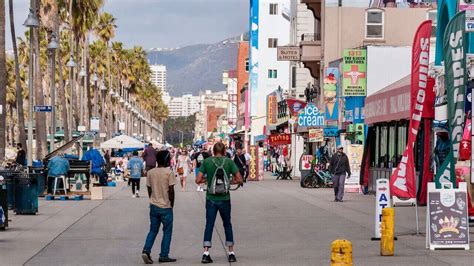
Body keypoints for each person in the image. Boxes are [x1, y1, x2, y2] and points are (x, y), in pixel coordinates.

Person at [196, 142, 243, 264]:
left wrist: (208, 180)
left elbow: (198, 180)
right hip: (225, 198)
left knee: (209, 225)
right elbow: (239, 179)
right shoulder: (229, 162)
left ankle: (206, 253)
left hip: (211, 198)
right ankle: (231, 253)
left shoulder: (207, 162)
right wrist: (228, 182)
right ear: (224, 152)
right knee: (227, 224)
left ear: (213, 151)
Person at [142, 150, 176, 264]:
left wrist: (152, 199)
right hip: (166, 206)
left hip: (154, 206)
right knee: (167, 231)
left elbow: (149, 189)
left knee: (153, 230)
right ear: (167, 160)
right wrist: (172, 204)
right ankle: (164, 255)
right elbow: (171, 191)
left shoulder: (151, 172)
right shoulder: (169, 172)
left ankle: (146, 250)